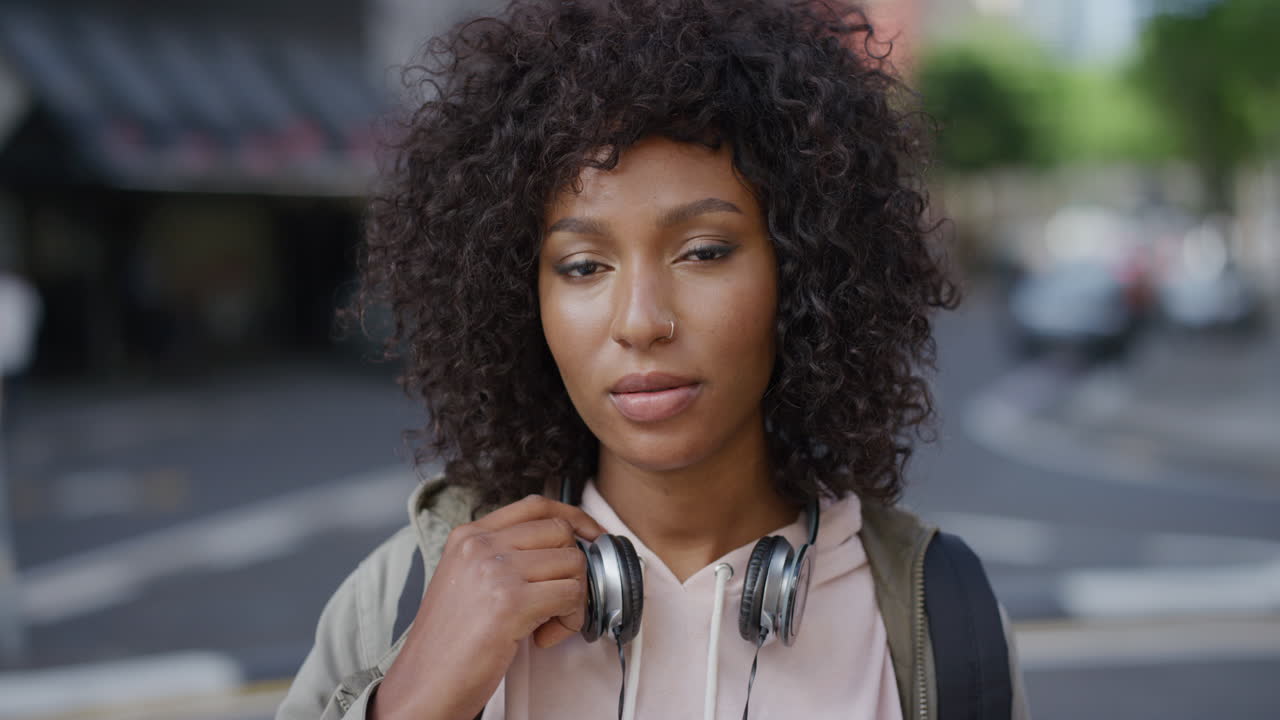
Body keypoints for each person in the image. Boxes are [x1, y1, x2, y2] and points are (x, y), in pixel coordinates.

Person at [278, 1, 1029, 718]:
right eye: (581, 266)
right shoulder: (403, 597)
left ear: (803, 272)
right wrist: (407, 703)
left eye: (703, 252)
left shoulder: (939, 621)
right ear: (519, 297)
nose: (641, 321)